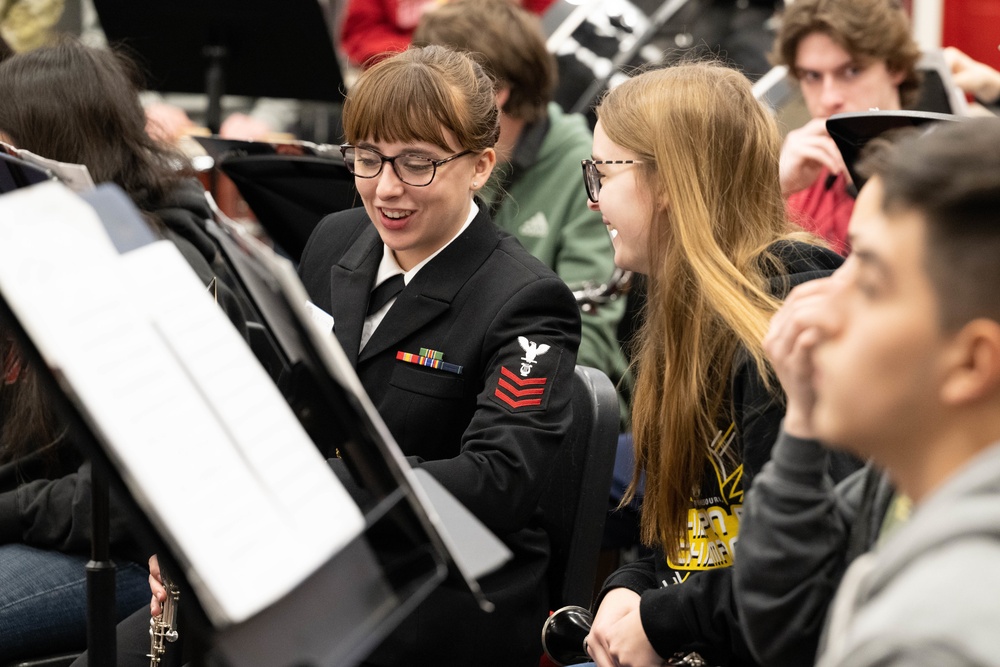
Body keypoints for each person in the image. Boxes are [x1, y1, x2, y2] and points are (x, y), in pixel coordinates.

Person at [75, 43, 581, 667]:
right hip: (319, 555)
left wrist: (309, 494)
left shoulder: (526, 298)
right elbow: (283, 402)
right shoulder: (335, 238)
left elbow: (498, 483)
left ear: (479, 165)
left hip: (443, 589)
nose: (386, 188)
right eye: (367, 159)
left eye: (417, 163)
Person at [574, 61, 848, 667]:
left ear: (670, 181)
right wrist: (630, 588)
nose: (593, 200)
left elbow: (798, 568)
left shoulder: (782, 330)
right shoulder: (683, 310)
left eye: (603, 172)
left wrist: (664, 621)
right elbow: (676, 531)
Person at [0, 38, 249, 661]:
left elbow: (125, 498)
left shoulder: (162, 265)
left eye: (8, 153)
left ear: (55, 152)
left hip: (133, 558)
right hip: (38, 525)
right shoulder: (41, 240)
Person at [738, 116, 1000, 667]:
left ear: (973, 363)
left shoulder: (935, 640)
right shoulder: (893, 481)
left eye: (872, 281)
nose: (821, 303)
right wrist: (806, 418)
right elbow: (788, 628)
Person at [412, 0, 630, 417]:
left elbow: (588, 344)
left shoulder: (582, 168)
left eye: (431, 93)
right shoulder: (439, 157)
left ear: (494, 95)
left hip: (543, 410)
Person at [771, 0, 921, 254]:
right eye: (812, 76)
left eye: (851, 71)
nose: (829, 98)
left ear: (896, 68)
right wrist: (773, 192)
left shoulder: (944, 171)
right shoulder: (798, 177)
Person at [338, 0, 556, 70]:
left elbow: (540, 20)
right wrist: (429, 52)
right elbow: (359, 35)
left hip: (496, 74)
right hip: (411, 78)